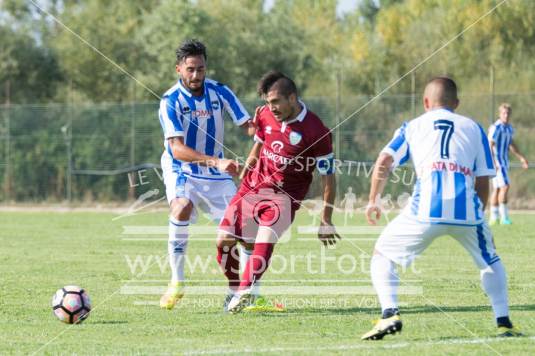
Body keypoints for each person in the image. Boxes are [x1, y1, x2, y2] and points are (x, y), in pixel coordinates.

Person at [362, 77, 521, 340]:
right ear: (456, 103)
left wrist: (373, 200)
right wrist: (478, 216)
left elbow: (385, 160)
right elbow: (483, 179)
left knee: (382, 254)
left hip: (424, 210)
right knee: (490, 258)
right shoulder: (475, 127)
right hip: (467, 210)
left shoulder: (412, 126)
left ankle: (389, 314)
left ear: (426, 103)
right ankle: (503, 321)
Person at [216, 71, 341, 313]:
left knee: (264, 240)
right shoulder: (264, 114)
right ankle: (235, 290)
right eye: (267, 102)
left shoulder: (317, 132)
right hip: (252, 187)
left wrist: (326, 219)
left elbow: (329, 178)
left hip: (285, 197)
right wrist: (249, 164)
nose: (270, 107)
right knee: (223, 241)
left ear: (292, 98)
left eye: (275, 101)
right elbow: (259, 142)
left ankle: (244, 293)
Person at [158, 39, 253, 310]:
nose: (196, 75)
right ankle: (177, 283)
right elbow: (176, 149)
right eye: (190, 69)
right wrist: (216, 161)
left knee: (244, 229)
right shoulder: (170, 101)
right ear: (178, 69)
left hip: (217, 176)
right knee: (181, 207)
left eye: (200, 69)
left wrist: (266, 133)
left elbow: (247, 125)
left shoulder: (220, 92)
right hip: (183, 170)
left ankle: (241, 292)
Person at [488, 103, 529, 225]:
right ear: (500, 114)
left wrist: (521, 158)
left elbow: (511, 144)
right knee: (505, 186)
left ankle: (494, 217)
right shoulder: (496, 127)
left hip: (504, 161)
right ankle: (504, 217)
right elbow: (490, 144)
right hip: (498, 162)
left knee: (497, 189)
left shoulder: (509, 128)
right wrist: (493, 162)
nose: (506, 115)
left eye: (508, 113)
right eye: (504, 113)